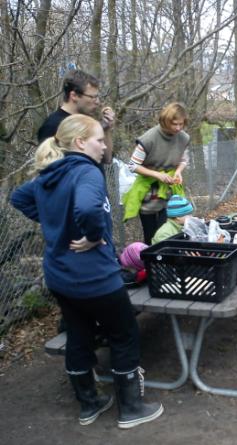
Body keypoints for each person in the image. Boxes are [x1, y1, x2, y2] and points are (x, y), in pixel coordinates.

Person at [11, 114, 163, 429]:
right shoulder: (86, 172)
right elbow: (88, 210)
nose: (103, 145)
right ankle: (131, 409)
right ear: (81, 142)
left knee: (79, 335)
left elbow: (19, 198)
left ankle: (89, 405)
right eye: (98, 139)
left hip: (59, 277)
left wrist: (55, 225)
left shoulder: (49, 174)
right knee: (124, 334)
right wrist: (93, 236)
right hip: (94, 277)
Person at [122, 102, 189, 245]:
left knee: (168, 232)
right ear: (165, 121)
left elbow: (183, 159)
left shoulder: (183, 138)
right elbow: (132, 165)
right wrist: (157, 175)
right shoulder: (149, 138)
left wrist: (178, 172)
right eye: (174, 124)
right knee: (151, 236)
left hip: (170, 191)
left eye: (181, 124)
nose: (178, 128)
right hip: (149, 192)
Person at [37, 69, 115, 164]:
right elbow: (49, 170)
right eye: (92, 97)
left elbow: (106, 159)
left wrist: (106, 129)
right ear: (74, 96)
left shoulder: (88, 122)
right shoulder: (52, 126)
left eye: (97, 97)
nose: (97, 102)